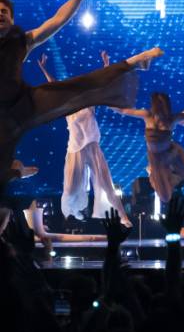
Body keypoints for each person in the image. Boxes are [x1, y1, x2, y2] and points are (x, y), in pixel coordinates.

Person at [0, 0, 162, 187]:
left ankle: (133, 62)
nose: (0, 14)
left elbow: (57, 20)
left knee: (77, 88)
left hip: (21, 104)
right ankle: (16, 171)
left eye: (4, 12)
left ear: (12, 20)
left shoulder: (22, 41)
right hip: (3, 120)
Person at [36, 53, 130, 226]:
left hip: (92, 146)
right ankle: (74, 210)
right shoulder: (67, 107)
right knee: (70, 188)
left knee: (106, 184)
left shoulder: (89, 104)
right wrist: (44, 68)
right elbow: (54, 86)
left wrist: (106, 64)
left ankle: (123, 216)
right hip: (76, 148)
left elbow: (102, 85)